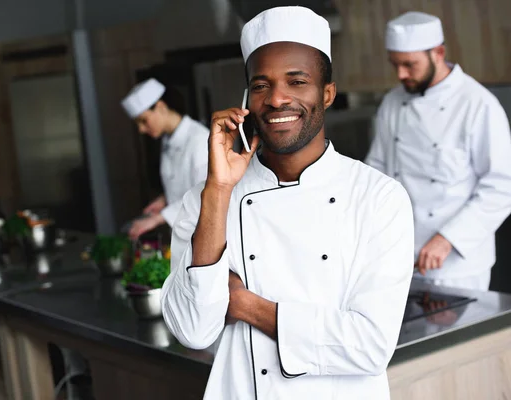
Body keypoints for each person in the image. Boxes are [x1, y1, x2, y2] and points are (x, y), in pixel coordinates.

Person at [161, 6, 414, 399]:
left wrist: (245, 305)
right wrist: (219, 190)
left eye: (297, 82)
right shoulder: (206, 200)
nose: (277, 99)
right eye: (261, 85)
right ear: (246, 98)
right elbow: (193, 331)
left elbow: (369, 347)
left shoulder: (378, 198)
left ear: (326, 93)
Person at [365, 11, 511, 291]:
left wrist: (447, 239)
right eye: (395, 65)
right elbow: (377, 171)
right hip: (399, 257)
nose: (401, 75)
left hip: (457, 264)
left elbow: (501, 186)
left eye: (410, 65)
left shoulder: (477, 104)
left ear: (439, 52)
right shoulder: (392, 103)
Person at [121, 78, 209, 240]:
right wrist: (164, 200)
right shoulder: (168, 140)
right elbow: (183, 181)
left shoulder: (200, 140)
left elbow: (204, 195)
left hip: (204, 235)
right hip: (183, 236)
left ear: (160, 107)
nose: (141, 129)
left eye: (143, 120)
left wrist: (157, 219)